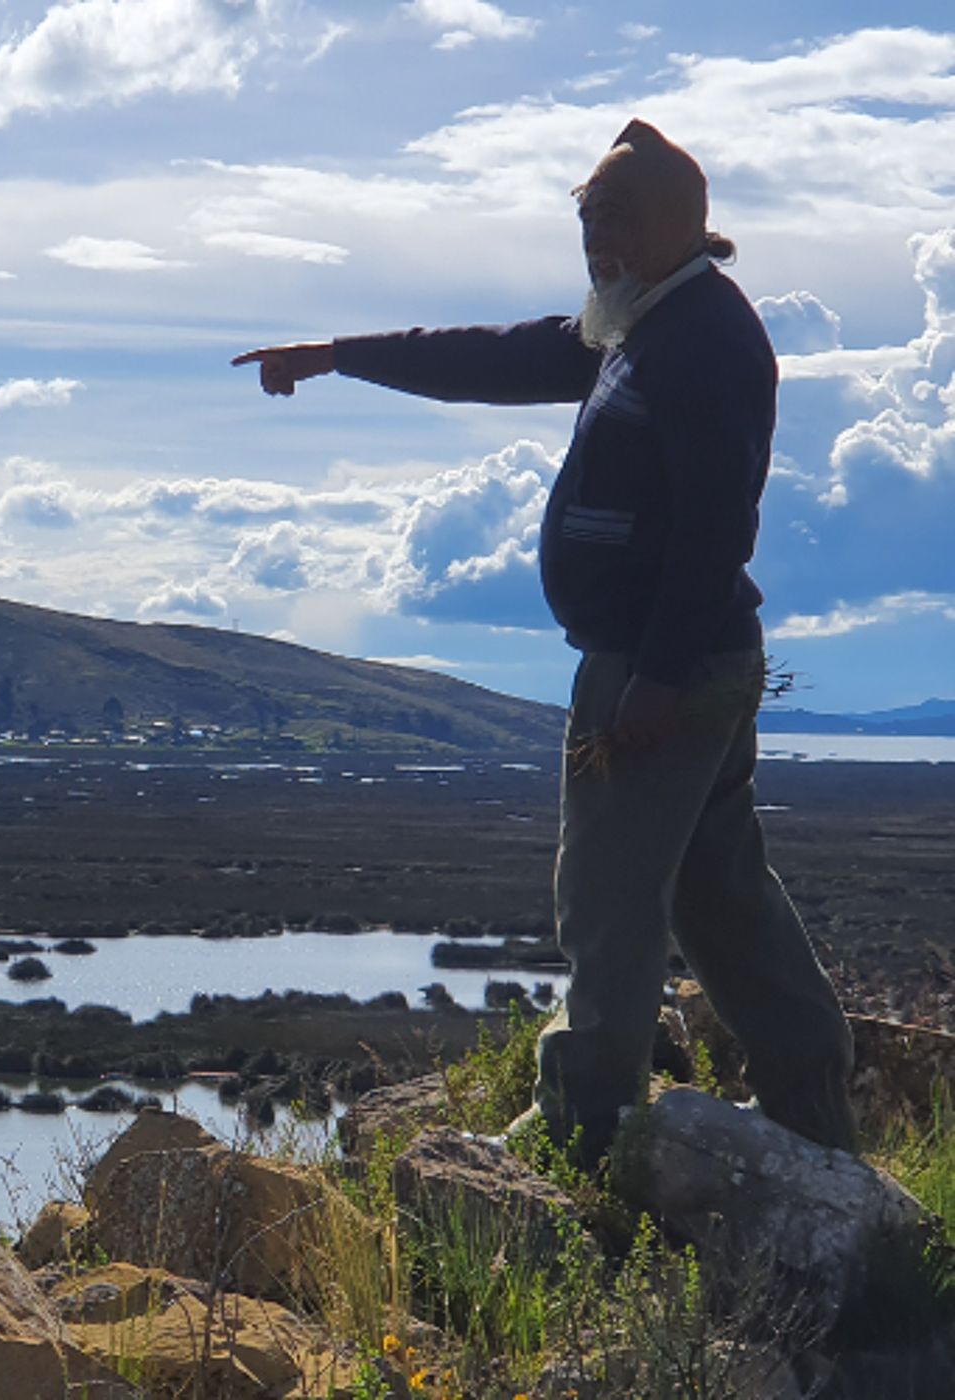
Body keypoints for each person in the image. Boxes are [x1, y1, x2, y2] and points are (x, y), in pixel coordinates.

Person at [233, 119, 858, 1164]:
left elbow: (715, 526)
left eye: (610, 216)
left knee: (607, 894)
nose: (590, 239)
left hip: (661, 670)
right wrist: (338, 357)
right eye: (582, 216)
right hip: (679, 663)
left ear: (677, 223)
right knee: (716, 891)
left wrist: (650, 679)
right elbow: (496, 355)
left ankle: (582, 1125)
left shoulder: (701, 338)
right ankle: (808, 1099)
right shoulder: (638, 322)